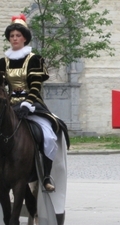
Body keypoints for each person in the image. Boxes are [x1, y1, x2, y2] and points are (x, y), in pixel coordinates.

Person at [0, 14, 69, 193]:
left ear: (24, 38)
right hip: (9, 105)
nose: (14, 39)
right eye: (12, 36)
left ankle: (46, 176)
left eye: (18, 36)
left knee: (48, 134)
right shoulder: (3, 62)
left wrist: (27, 103)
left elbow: (36, 85)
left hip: (31, 104)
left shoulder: (34, 59)